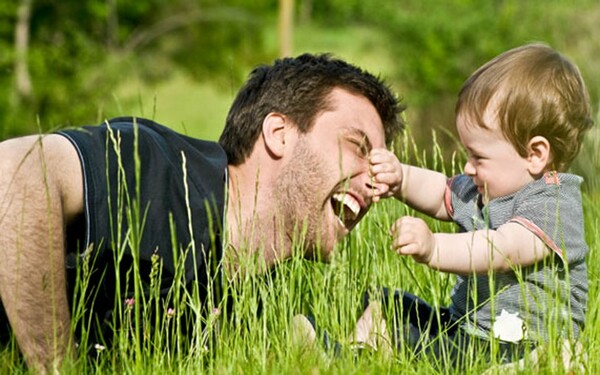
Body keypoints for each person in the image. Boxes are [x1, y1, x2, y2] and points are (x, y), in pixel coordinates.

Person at [0, 53, 405, 373]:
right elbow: (14, 170)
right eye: (359, 147)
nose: (378, 182)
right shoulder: (161, 171)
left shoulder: (264, 299)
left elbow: (310, 348)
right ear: (279, 134)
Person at [362, 43, 592, 368]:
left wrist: (433, 248)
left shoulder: (553, 205)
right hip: (468, 327)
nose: (468, 167)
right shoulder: (489, 186)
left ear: (535, 154)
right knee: (386, 303)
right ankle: (361, 351)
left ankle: (550, 362)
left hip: (516, 342)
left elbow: (502, 249)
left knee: (432, 349)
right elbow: (442, 190)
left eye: (478, 156)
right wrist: (400, 178)